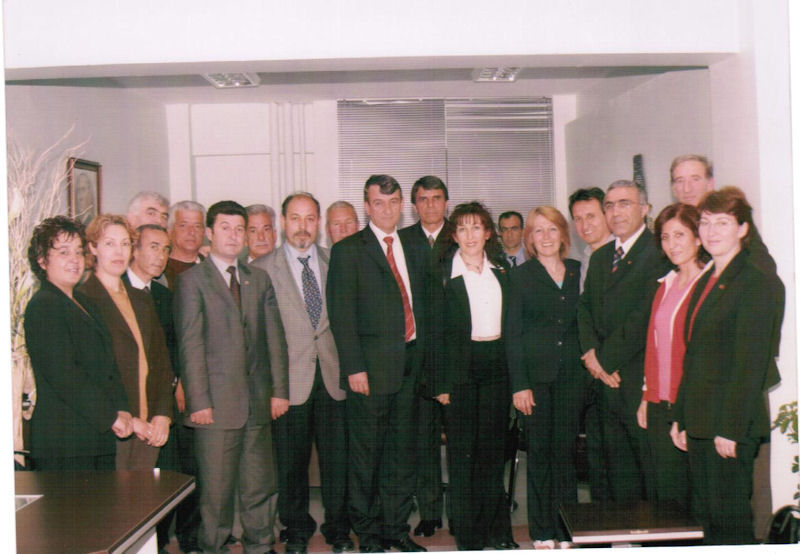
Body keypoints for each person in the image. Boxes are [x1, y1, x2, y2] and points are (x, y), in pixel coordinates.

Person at [669, 154, 778, 538]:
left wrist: (730, 429)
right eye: (706, 222)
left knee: (731, 526)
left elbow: (750, 364)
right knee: (708, 522)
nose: (712, 231)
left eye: (723, 223)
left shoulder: (755, 281)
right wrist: (681, 417)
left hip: (729, 425)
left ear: (743, 228)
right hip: (700, 421)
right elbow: (693, 356)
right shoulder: (705, 279)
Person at [174, 200, 289, 553]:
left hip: (257, 405)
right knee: (217, 494)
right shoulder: (191, 282)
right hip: (215, 408)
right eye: (225, 228)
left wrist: (279, 391)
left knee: (260, 487)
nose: (234, 235)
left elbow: (275, 339)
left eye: (240, 229)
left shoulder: (259, 279)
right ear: (210, 233)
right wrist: (199, 402)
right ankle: (213, 547)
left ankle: (260, 546)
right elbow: (190, 346)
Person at [327, 174, 428, 553]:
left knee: (401, 457)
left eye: (394, 202)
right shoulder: (348, 250)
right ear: (367, 207)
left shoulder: (414, 246)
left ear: (402, 205)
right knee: (366, 459)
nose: (387, 210)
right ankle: (368, 536)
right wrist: (354, 368)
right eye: (379, 203)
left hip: (409, 368)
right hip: (368, 373)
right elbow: (342, 315)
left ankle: (396, 530)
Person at [253, 192, 351, 554]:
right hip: (288, 382)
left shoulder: (335, 261)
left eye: (310, 219)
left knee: (336, 461)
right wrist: (270, 388)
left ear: (319, 223)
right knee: (290, 462)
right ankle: (295, 528)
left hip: (332, 377)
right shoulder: (262, 268)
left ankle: (338, 527)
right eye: (295, 218)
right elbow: (257, 336)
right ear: (283, 222)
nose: (303, 227)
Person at [577, 180, 670, 502]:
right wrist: (591, 355)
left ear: (644, 209)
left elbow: (644, 318)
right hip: (604, 384)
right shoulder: (601, 257)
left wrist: (604, 361)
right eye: (610, 205)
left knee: (646, 479)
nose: (616, 212)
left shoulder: (658, 254)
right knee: (613, 478)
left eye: (624, 203)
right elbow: (584, 309)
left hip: (636, 383)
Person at [432, 201, 514, 552]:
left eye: (476, 227)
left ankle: (498, 531)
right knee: (463, 455)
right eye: (462, 228)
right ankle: (469, 537)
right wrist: (441, 384)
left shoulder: (503, 271)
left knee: (493, 453)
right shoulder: (442, 275)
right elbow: (434, 333)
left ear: (488, 233)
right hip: (460, 370)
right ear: (454, 235)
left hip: (497, 366)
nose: (470, 236)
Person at [23, 216, 133, 470]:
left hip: (96, 437)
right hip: (65, 442)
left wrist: (122, 408)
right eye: (63, 252)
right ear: (42, 260)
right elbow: (64, 375)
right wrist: (109, 416)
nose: (74, 259)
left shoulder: (84, 303)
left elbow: (109, 366)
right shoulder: (43, 306)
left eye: (78, 251)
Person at [506, 206, 582, 548]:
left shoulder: (577, 271)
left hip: (572, 379)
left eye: (552, 229)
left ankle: (567, 531)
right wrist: (519, 384)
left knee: (565, 455)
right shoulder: (520, 277)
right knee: (539, 455)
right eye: (538, 230)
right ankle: (542, 532)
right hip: (535, 382)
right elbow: (513, 334)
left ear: (563, 234)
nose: (546, 236)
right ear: (530, 239)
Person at [124, 223, 202, 553]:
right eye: (154, 247)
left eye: (166, 249)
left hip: (168, 399)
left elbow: (177, 346)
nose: (161, 255)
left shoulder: (163, 295)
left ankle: (185, 539)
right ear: (135, 249)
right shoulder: (116, 290)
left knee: (180, 472)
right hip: (132, 404)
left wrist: (180, 380)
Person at [78, 214, 174, 470]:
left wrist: (163, 414)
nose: (119, 252)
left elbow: (161, 363)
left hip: (149, 428)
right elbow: (91, 373)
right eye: (109, 243)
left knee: (145, 494)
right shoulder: (83, 299)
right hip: (113, 428)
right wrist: (129, 419)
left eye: (125, 244)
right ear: (93, 248)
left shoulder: (141, 298)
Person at [636, 203, 710, 509]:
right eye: (665, 237)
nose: (672, 244)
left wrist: (689, 412)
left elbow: (704, 357)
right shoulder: (664, 285)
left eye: (680, 235)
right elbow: (653, 346)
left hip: (690, 407)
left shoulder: (708, 285)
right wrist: (647, 395)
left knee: (695, 502)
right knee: (665, 500)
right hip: (659, 405)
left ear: (698, 238)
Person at [398, 175, 455, 539]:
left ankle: (464, 511)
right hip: (416, 359)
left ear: (446, 202)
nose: (430, 205)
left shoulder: (463, 235)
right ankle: (430, 511)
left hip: (458, 356)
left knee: (464, 441)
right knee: (423, 440)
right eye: (423, 199)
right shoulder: (401, 241)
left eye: (436, 198)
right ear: (414, 205)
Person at [567, 187, 613, 503]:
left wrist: (605, 361)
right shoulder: (583, 260)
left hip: (615, 372)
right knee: (598, 460)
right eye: (578, 218)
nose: (585, 225)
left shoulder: (619, 258)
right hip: (591, 374)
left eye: (591, 216)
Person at [166, 200, 207, 289]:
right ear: (170, 232)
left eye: (197, 226)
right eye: (183, 225)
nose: (191, 232)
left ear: (204, 232)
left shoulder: (213, 268)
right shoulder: (161, 272)